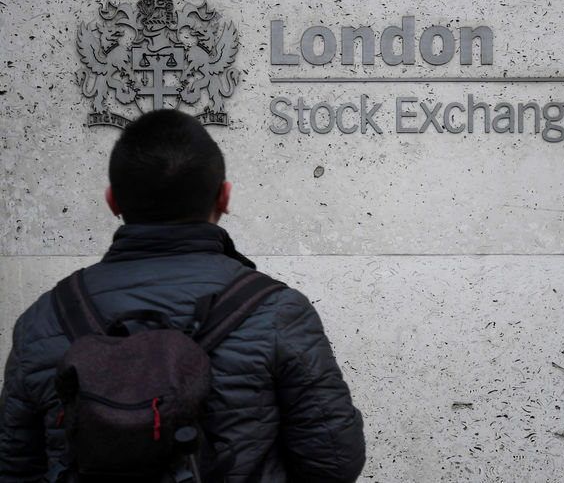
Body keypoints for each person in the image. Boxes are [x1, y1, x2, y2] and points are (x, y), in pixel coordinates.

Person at [0, 109, 366, 483]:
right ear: (224, 197)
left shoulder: (43, 320)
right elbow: (335, 462)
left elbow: (14, 468)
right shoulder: (278, 312)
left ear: (113, 202)